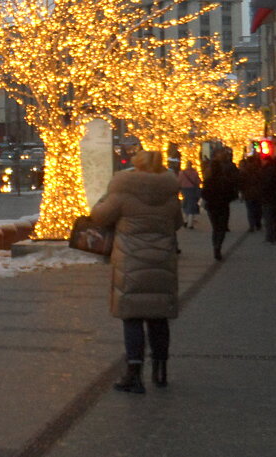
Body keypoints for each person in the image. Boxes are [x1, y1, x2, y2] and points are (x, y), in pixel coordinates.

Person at [91, 149, 183, 394]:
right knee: (158, 316)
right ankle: (161, 370)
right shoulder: (171, 194)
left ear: (137, 166)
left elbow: (99, 217)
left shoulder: (122, 192)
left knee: (132, 316)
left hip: (131, 260)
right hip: (162, 259)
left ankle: (134, 373)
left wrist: (103, 199)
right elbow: (177, 224)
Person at [200, 150, 240, 260]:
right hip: (223, 206)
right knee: (221, 228)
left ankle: (215, 246)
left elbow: (204, 194)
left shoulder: (208, 181)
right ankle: (218, 245)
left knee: (215, 228)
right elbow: (231, 193)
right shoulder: (224, 180)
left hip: (212, 207)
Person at [260, 155, 276, 243]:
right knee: (275, 218)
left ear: (266, 161)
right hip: (275, 197)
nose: (261, 162)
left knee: (268, 218)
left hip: (268, 197)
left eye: (262, 160)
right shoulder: (275, 170)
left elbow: (266, 185)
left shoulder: (267, 171)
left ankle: (270, 237)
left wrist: (262, 191)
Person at [238, 153, 263, 233]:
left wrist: (241, 192)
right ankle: (258, 223)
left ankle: (251, 226)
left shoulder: (244, 171)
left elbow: (241, 183)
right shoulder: (259, 170)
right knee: (258, 209)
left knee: (250, 210)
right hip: (257, 192)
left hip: (248, 193)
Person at [178, 161, 201, 229]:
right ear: (191, 165)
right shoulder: (195, 173)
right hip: (193, 190)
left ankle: (185, 220)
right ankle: (190, 224)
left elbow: (179, 182)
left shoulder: (182, 173)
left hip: (184, 190)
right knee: (192, 206)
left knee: (185, 204)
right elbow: (198, 182)